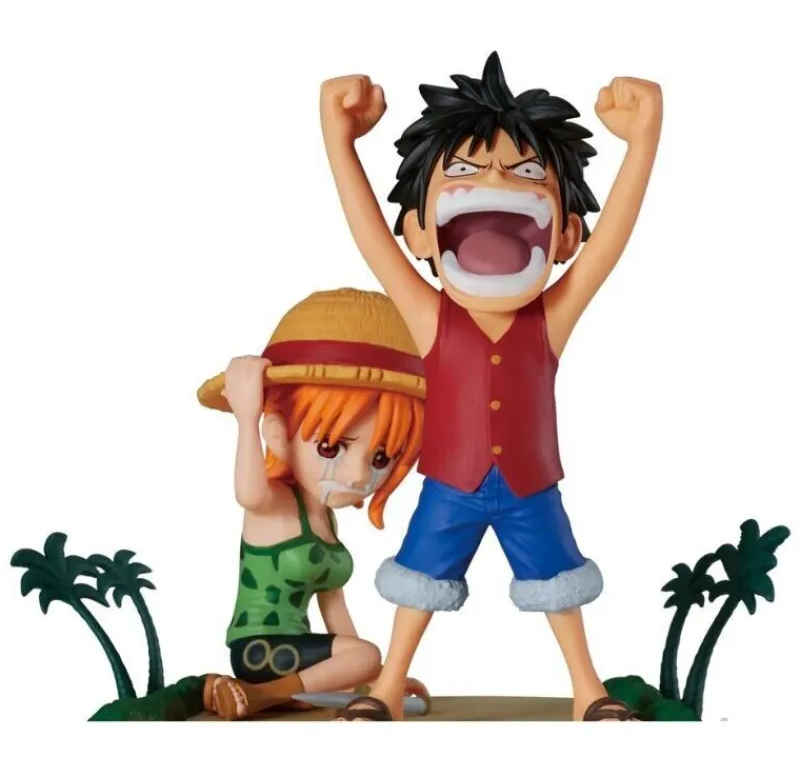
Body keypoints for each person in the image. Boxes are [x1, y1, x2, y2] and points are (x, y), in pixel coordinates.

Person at [320, 53, 662, 721]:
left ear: (565, 234)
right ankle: (388, 685)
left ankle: (587, 689)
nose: (497, 180)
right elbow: (370, 239)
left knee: (559, 586)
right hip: (451, 484)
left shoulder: (550, 320)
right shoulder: (431, 318)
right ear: (419, 230)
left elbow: (610, 245)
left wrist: (644, 140)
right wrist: (338, 141)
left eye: (528, 172)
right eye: (465, 171)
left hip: (532, 486)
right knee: (418, 584)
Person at [197, 288, 425, 720]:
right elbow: (247, 493)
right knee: (367, 654)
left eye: (380, 458)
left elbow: (333, 607)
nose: (358, 475)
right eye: (331, 446)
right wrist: (246, 419)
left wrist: (370, 679)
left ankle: (278, 694)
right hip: (260, 650)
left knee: (367, 655)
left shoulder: (324, 519)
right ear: (277, 433)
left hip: (298, 654)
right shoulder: (275, 503)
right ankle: (260, 695)